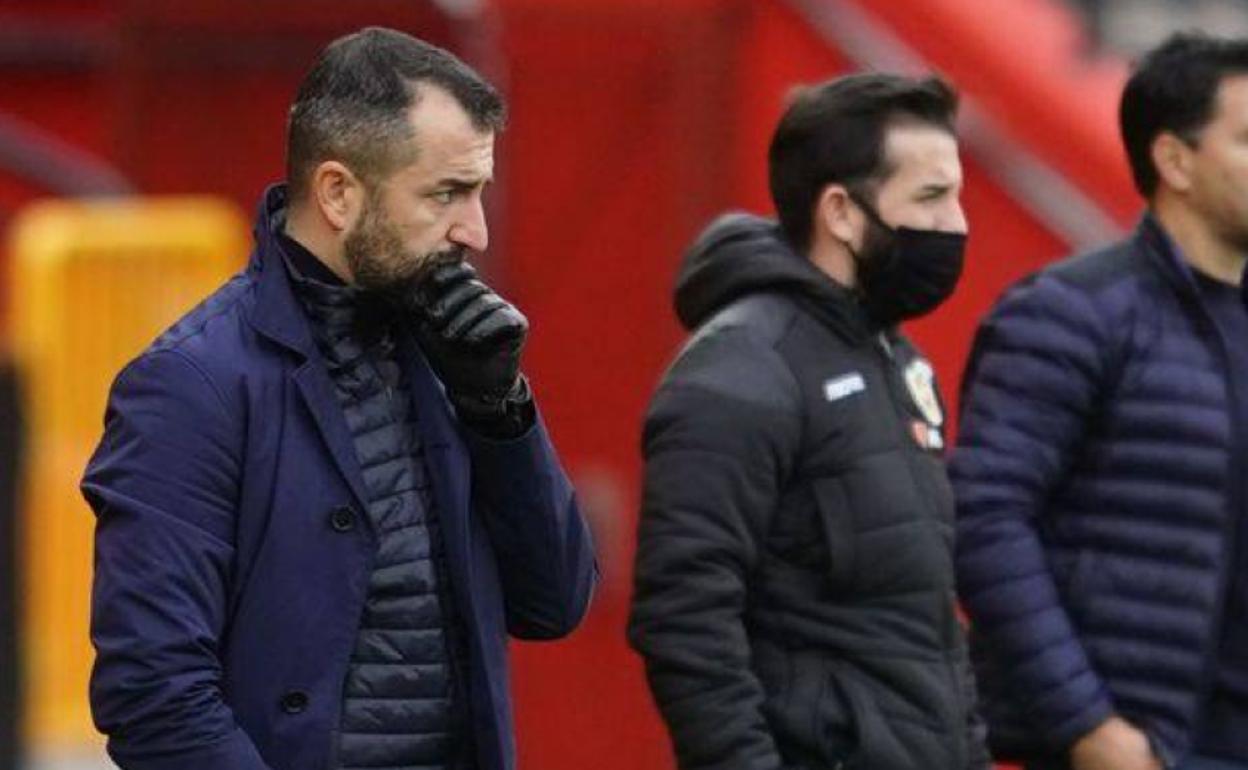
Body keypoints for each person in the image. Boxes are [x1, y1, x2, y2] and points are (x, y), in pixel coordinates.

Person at [81, 27, 595, 770]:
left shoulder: (448, 355)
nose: (475, 231)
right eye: (445, 193)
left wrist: (499, 409)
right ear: (338, 193)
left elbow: (555, 602)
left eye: (480, 192)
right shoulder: (190, 386)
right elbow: (153, 694)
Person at [627, 72, 988, 770]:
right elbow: (684, 617)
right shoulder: (743, 367)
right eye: (931, 197)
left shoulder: (893, 358)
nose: (957, 224)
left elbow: (925, 619)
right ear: (841, 213)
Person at [953, 32, 1248, 770]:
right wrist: (1089, 728)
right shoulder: (1070, 312)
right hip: (1134, 749)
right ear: (1174, 161)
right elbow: (985, 522)